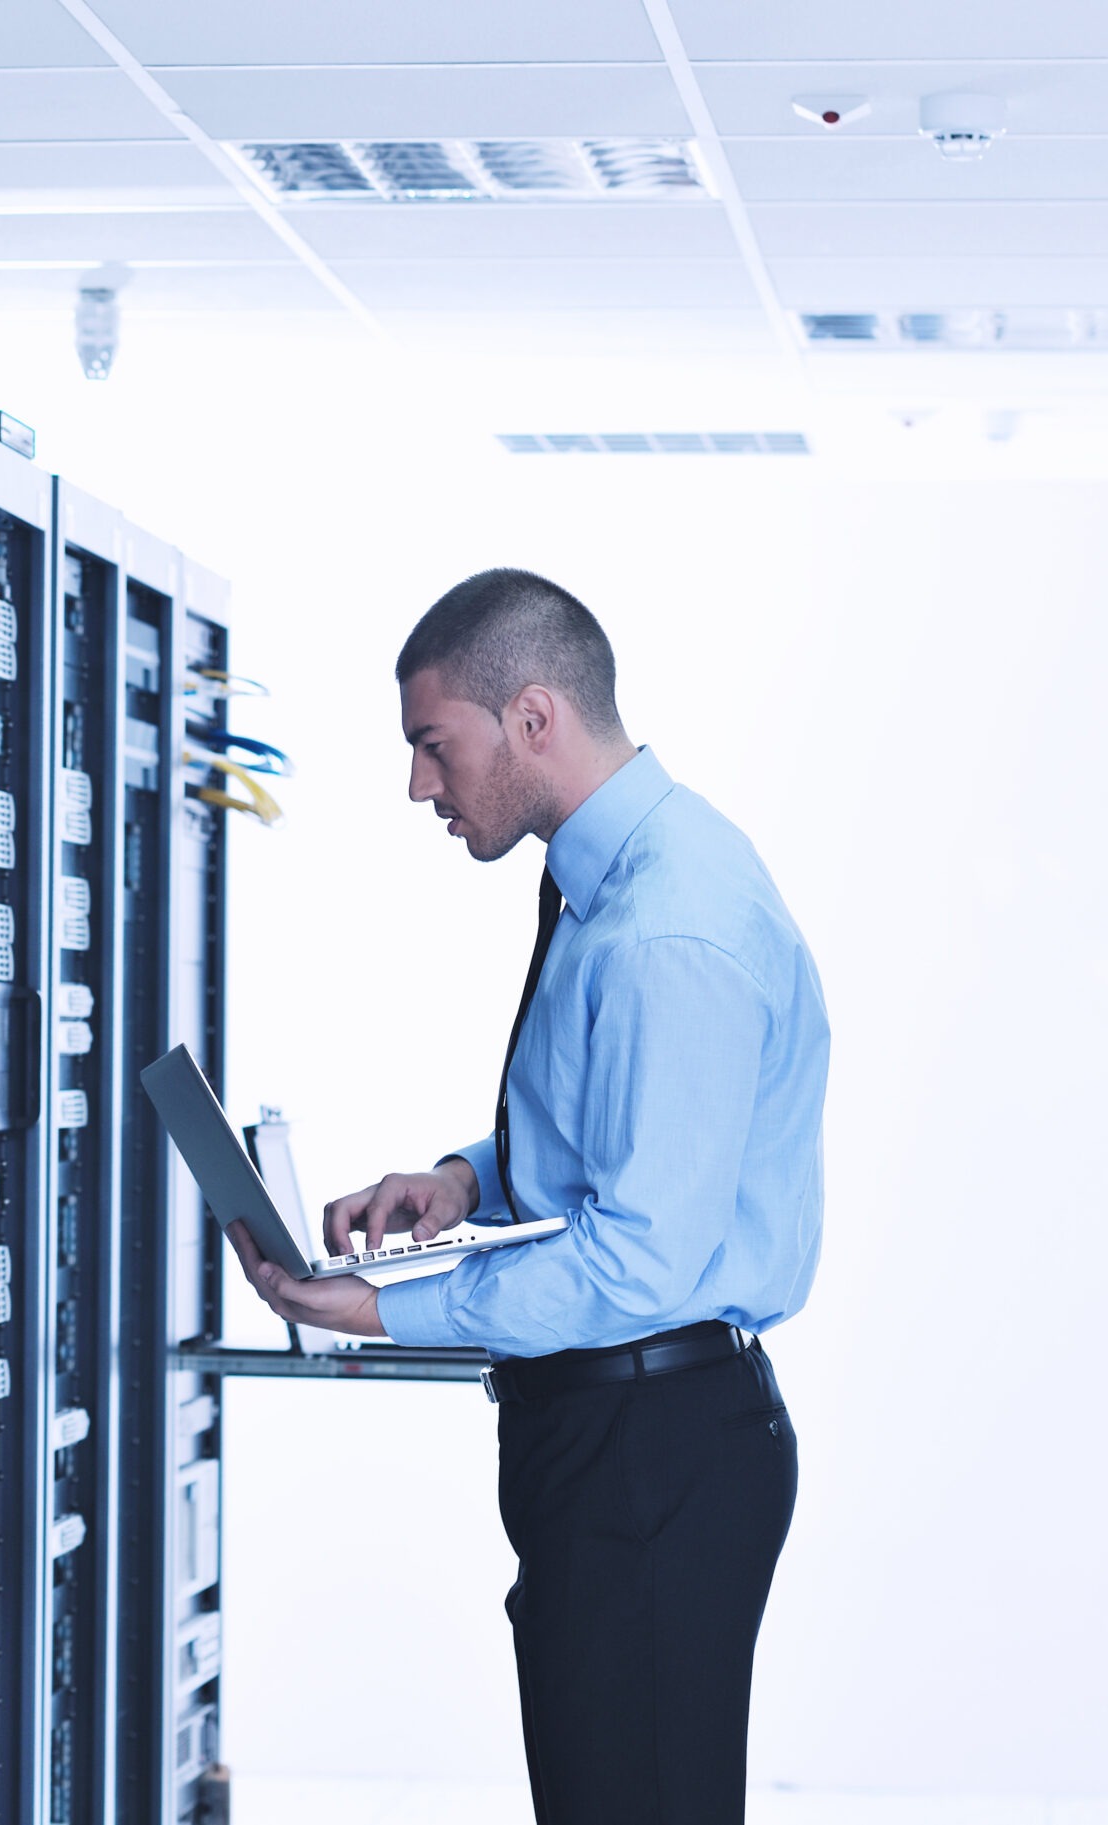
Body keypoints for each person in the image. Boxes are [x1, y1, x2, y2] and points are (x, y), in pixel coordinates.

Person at [228, 568, 828, 1825]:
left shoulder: (670, 927)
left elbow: (638, 1263)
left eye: (432, 746)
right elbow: (616, 1141)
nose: (419, 787)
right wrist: (458, 1182)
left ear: (533, 717)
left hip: (651, 1445)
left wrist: (378, 1311)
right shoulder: (612, 881)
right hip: (621, 1435)